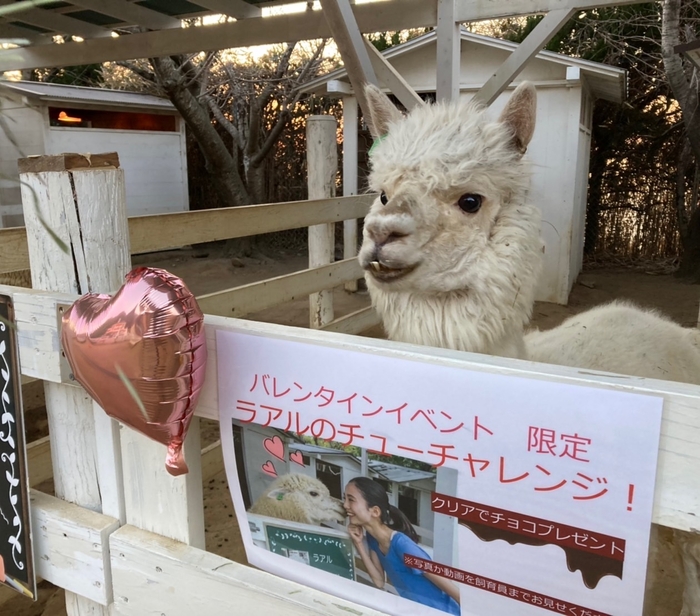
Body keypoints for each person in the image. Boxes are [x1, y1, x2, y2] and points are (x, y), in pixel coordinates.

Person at [344, 477, 460, 615]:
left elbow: (448, 586)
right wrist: (358, 543)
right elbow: (379, 581)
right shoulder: (373, 539)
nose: (345, 505)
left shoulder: (402, 545)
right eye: (345, 499)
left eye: (351, 499)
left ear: (375, 511)